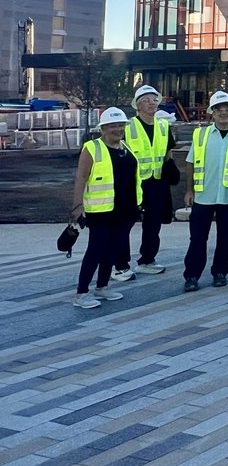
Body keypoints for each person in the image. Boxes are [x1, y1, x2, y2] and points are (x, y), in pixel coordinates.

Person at [182, 91, 228, 292]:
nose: (223, 113)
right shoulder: (201, 135)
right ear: (212, 113)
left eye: (227, 109)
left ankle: (220, 272)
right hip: (203, 195)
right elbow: (190, 162)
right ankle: (192, 276)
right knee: (197, 238)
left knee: (225, 238)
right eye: (219, 109)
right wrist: (189, 189)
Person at [71, 108, 141, 307]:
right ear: (103, 128)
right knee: (96, 250)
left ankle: (102, 287)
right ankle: (81, 293)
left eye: (120, 125)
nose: (118, 129)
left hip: (125, 209)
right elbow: (81, 178)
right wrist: (77, 206)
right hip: (101, 211)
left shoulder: (125, 148)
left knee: (112, 250)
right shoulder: (92, 148)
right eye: (113, 126)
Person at [117, 84, 174, 279]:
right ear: (138, 105)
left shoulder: (163, 125)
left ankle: (147, 260)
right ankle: (120, 265)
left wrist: (170, 165)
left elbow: (168, 150)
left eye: (154, 99)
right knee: (125, 224)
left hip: (156, 183)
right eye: (146, 100)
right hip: (132, 185)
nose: (151, 103)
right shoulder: (128, 126)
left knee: (153, 225)